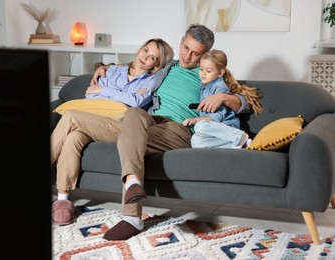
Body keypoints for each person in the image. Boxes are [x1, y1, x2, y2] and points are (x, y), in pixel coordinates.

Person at [97, 24, 258, 241]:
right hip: (151, 120)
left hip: (178, 128)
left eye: (196, 53)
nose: (188, 56)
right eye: (186, 48)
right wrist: (104, 67)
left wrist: (221, 98)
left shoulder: (207, 74)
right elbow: (137, 65)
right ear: (181, 41)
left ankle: (131, 217)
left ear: (205, 55)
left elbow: (243, 101)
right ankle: (133, 184)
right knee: (133, 113)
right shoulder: (168, 65)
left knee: (129, 142)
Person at [51, 38, 174, 226]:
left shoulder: (151, 80)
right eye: (145, 50)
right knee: (73, 138)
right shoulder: (114, 70)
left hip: (120, 128)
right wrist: (115, 93)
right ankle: (63, 199)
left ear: (156, 65)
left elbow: (135, 102)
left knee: (70, 117)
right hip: (93, 120)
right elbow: (91, 94)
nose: (145, 57)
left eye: (152, 57)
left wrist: (105, 89)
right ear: (140, 48)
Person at [183, 49, 263, 148]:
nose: (203, 73)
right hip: (215, 130)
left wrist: (196, 120)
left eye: (208, 71)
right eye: (201, 69)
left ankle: (239, 136)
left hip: (225, 126)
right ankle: (240, 144)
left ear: (220, 73)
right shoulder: (205, 85)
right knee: (196, 141)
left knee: (200, 126)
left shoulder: (219, 87)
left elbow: (218, 116)